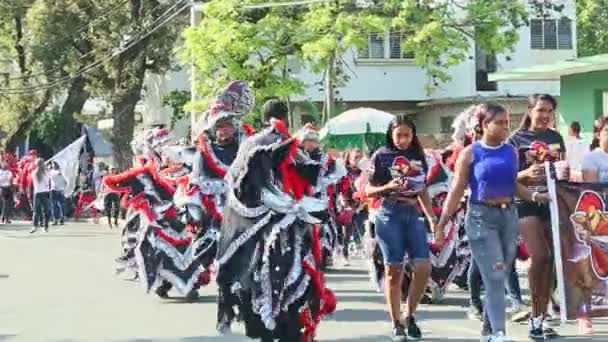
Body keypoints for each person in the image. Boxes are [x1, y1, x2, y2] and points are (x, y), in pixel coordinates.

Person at [437, 103, 550, 342]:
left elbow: (513, 185)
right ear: (484, 125)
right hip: (480, 217)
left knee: (498, 274)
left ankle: (488, 331)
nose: (505, 126)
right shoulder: (470, 153)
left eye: (507, 122)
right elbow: (456, 190)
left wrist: (536, 196)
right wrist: (441, 222)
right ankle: (499, 332)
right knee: (496, 274)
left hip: (508, 216)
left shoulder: (511, 151)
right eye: (499, 122)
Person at [365, 114, 436, 341]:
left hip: (412, 214)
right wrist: (387, 186)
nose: (402, 140)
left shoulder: (418, 155)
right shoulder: (381, 156)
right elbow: (367, 190)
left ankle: (409, 313)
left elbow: (423, 188)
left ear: (413, 135)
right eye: (398, 135)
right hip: (388, 213)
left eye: (407, 135)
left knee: (423, 267)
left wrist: (433, 218)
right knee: (393, 271)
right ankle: (396, 323)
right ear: (391, 134)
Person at [508, 94, 566, 339]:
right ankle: (534, 315)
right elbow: (505, 176)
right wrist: (525, 173)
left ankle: (543, 317)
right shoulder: (515, 140)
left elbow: (562, 171)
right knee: (540, 256)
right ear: (530, 110)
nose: (545, 115)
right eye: (541, 109)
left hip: (551, 203)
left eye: (550, 111)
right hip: (525, 203)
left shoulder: (556, 138)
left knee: (551, 261)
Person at [577, 115, 608, 335]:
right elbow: (590, 191)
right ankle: (584, 314)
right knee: (591, 268)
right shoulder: (592, 158)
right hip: (599, 220)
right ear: (598, 134)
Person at [31, 158, 52, 233]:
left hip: (39, 193)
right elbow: (47, 182)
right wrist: (46, 168)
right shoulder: (45, 173)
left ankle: (36, 226)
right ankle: (44, 227)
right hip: (43, 193)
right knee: (44, 211)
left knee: (37, 211)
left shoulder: (34, 172)